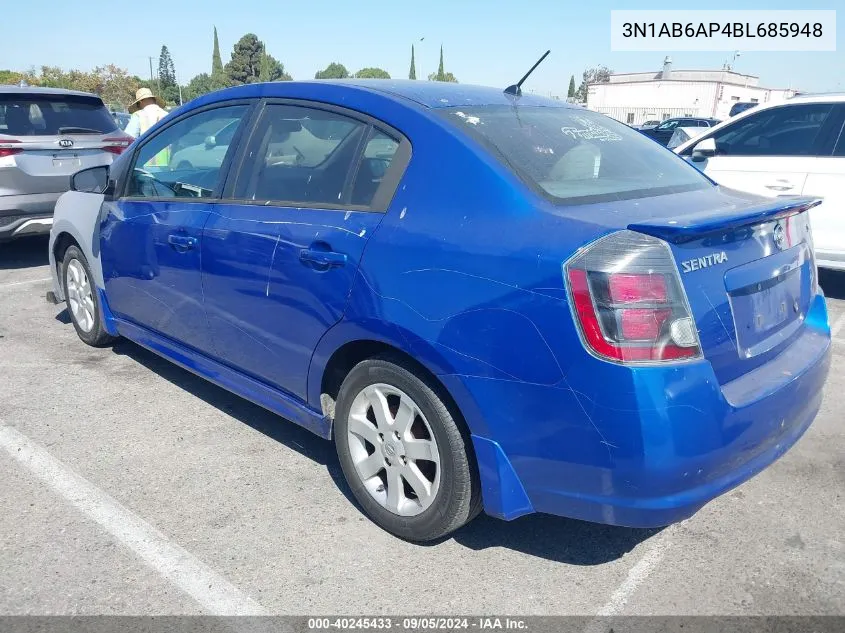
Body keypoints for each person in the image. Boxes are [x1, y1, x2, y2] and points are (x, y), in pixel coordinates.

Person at [124, 88, 170, 168]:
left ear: (140, 102)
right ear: (153, 99)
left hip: (145, 164)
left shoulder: (138, 115)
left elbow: (128, 140)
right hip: (166, 164)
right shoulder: (167, 115)